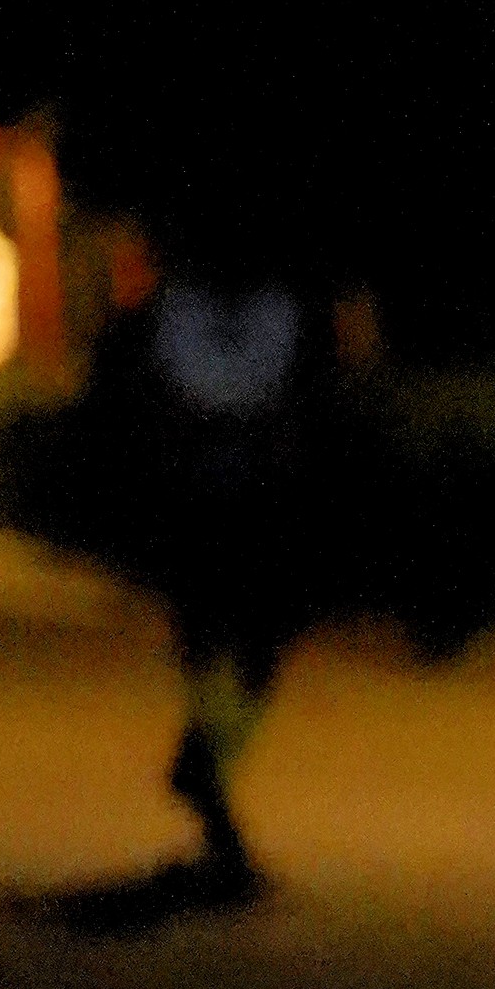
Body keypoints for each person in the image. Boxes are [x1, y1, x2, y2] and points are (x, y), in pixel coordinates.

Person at [86, 206, 332, 900]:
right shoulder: (199, 314)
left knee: (238, 642)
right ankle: (209, 780)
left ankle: (205, 763)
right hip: (218, 498)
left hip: (229, 497)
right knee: (228, 638)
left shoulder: (230, 313)